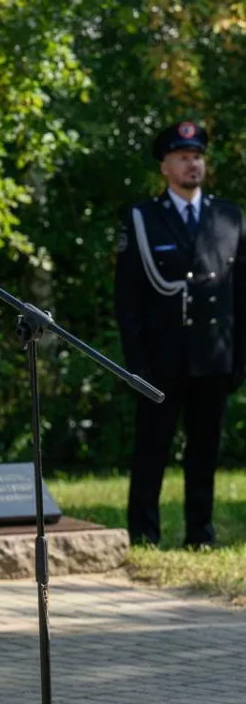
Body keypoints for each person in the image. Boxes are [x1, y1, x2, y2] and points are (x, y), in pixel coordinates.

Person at [115, 120, 246, 550]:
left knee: (204, 451)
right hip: (161, 358)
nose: (194, 164)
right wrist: (136, 364)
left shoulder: (228, 216)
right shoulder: (142, 218)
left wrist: (238, 357)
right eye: (184, 157)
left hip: (213, 355)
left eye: (198, 157)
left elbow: (239, 293)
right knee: (151, 450)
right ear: (165, 166)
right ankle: (144, 533)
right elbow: (128, 299)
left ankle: (200, 534)